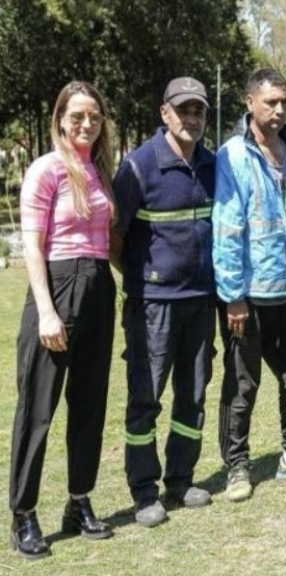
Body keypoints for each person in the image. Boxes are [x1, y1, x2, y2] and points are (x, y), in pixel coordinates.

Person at [10, 81, 117, 560]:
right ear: (59, 119)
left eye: (94, 116)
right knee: (38, 409)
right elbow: (32, 246)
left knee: (90, 405)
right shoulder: (46, 169)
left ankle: (79, 500)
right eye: (77, 116)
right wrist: (48, 312)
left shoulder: (99, 170)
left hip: (97, 289)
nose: (86, 124)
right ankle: (23, 512)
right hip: (57, 288)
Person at [110, 77, 216, 527]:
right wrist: (141, 280)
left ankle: (180, 477)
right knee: (146, 397)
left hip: (201, 301)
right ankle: (144, 489)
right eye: (183, 109)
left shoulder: (213, 164)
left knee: (192, 396)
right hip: (152, 304)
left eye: (199, 110)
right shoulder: (137, 167)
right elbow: (115, 238)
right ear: (165, 113)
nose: (192, 117)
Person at [213, 68, 286, 503]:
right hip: (247, 296)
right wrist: (233, 296)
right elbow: (227, 225)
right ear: (249, 102)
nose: (277, 110)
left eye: (283, 103)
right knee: (243, 384)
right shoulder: (233, 154)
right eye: (269, 102)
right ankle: (236, 464)